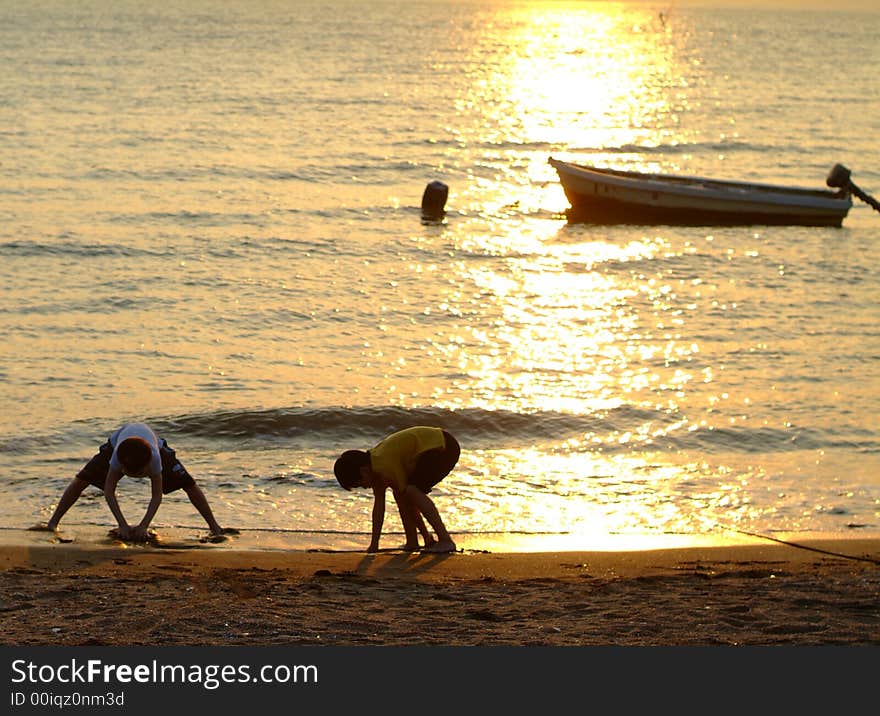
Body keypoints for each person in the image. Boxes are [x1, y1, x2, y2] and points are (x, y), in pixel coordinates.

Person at [36, 422, 233, 542]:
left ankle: (214, 527)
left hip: (155, 443)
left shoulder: (156, 459)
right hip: (118, 443)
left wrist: (143, 526)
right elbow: (109, 492)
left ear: (147, 467)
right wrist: (122, 525)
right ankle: (53, 523)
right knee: (81, 480)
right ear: (121, 466)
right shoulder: (115, 458)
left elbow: (156, 496)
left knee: (188, 484)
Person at [333, 426, 459, 554]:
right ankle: (412, 541)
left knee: (410, 491)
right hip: (432, 447)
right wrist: (374, 545)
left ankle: (445, 540)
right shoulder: (374, 467)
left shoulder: (384, 465)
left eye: (360, 484)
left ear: (363, 471)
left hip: (443, 447)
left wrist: (426, 536)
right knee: (401, 494)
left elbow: (410, 501)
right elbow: (379, 510)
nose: (364, 487)